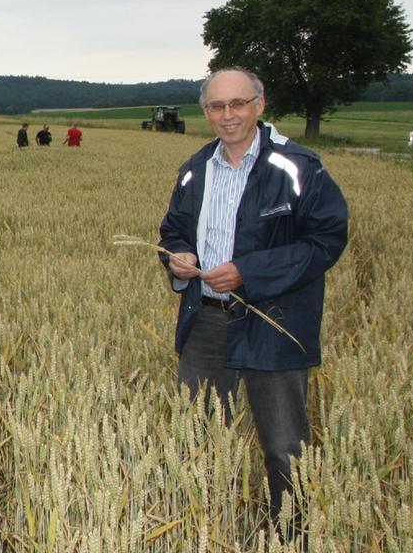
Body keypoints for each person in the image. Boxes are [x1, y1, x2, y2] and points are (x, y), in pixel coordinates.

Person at [159, 68, 348, 536]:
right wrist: (178, 256)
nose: (228, 116)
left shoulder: (299, 167)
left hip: (273, 321)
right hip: (204, 320)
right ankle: (206, 529)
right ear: (206, 112)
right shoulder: (194, 169)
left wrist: (250, 273)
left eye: (238, 104)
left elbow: (326, 240)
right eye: (217, 107)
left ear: (259, 106)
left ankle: (291, 538)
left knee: (285, 446)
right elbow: (174, 230)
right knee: (198, 437)